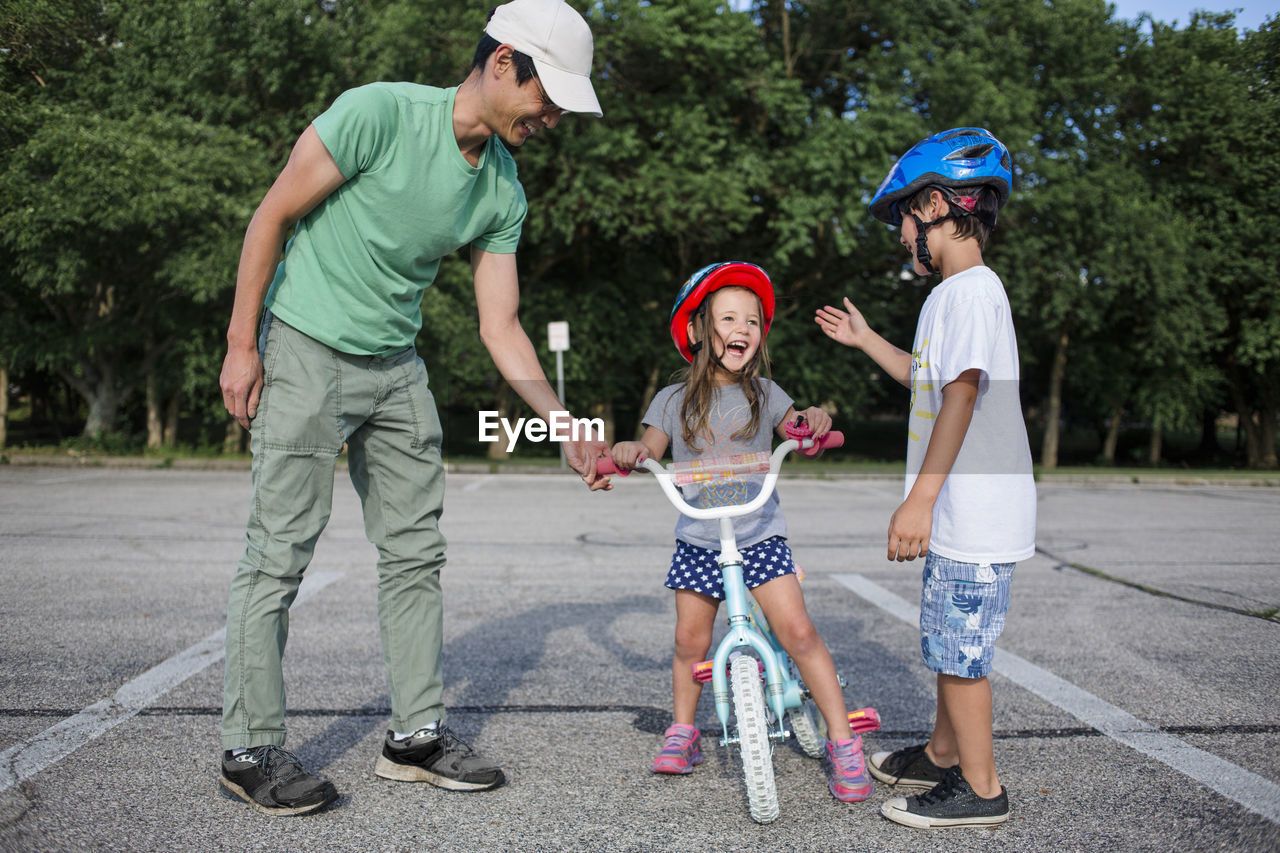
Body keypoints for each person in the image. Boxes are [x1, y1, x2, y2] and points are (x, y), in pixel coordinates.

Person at [215, 0, 610, 817]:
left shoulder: (503, 187)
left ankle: (416, 735)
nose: (554, 118)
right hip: (307, 346)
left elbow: (500, 326)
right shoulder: (379, 114)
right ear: (504, 62)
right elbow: (273, 215)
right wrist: (241, 343)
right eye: (550, 98)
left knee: (415, 553)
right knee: (279, 552)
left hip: (395, 368)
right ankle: (249, 745)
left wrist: (563, 424)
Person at [815, 127, 1036, 828]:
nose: (898, 233)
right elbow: (927, 379)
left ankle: (980, 788)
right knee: (948, 641)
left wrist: (920, 499)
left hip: (971, 507)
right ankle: (944, 754)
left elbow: (963, 394)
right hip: (961, 508)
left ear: (937, 205)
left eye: (902, 217)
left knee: (960, 656)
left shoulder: (971, 290)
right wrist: (864, 339)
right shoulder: (950, 296)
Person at [608, 261, 874, 804]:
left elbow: (797, 425)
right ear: (699, 329)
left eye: (752, 320)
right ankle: (683, 731)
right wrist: (630, 452)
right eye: (729, 317)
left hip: (759, 535)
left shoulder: (767, 393)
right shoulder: (671, 400)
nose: (743, 328)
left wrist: (813, 423)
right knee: (689, 641)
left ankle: (842, 739)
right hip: (700, 540)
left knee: (799, 633)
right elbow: (649, 451)